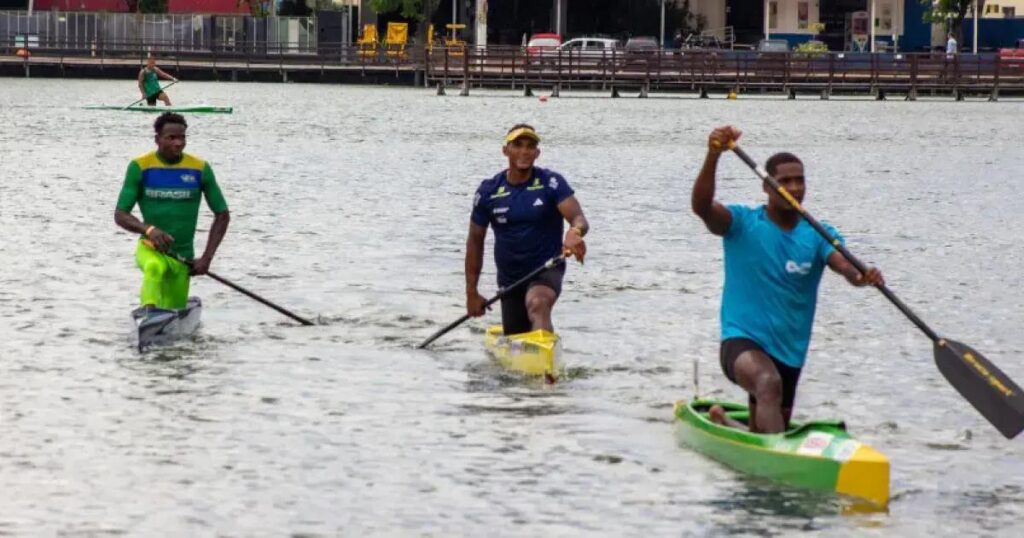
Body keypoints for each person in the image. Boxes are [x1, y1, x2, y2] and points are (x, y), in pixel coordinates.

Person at [691, 126, 884, 434]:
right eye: (785, 182)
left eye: (800, 181)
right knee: (767, 384)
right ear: (767, 188)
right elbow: (701, 207)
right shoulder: (741, 223)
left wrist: (862, 276)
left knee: (768, 416)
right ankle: (778, 470)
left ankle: (725, 422)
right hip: (742, 343)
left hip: (790, 352)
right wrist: (714, 154)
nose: (794, 188)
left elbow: (845, 266)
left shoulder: (820, 235)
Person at [465, 124, 589, 335]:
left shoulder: (551, 183)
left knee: (538, 304)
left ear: (537, 153)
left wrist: (574, 232)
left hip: (546, 269)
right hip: (510, 278)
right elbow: (475, 243)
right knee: (516, 333)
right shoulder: (488, 191)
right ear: (506, 150)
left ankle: (545, 366)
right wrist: (472, 293)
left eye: (530, 146)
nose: (524, 151)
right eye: (518, 145)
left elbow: (578, 218)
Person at [115, 113, 230, 311]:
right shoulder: (140, 167)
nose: (178, 143)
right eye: (171, 138)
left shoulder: (200, 169)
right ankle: (148, 311)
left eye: (182, 137)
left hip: (183, 257)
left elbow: (222, 215)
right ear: (157, 139)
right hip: (150, 248)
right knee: (155, 268)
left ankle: (165, 317)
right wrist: (149, 229)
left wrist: (206, 259)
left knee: (174, 307)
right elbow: (120, 214)